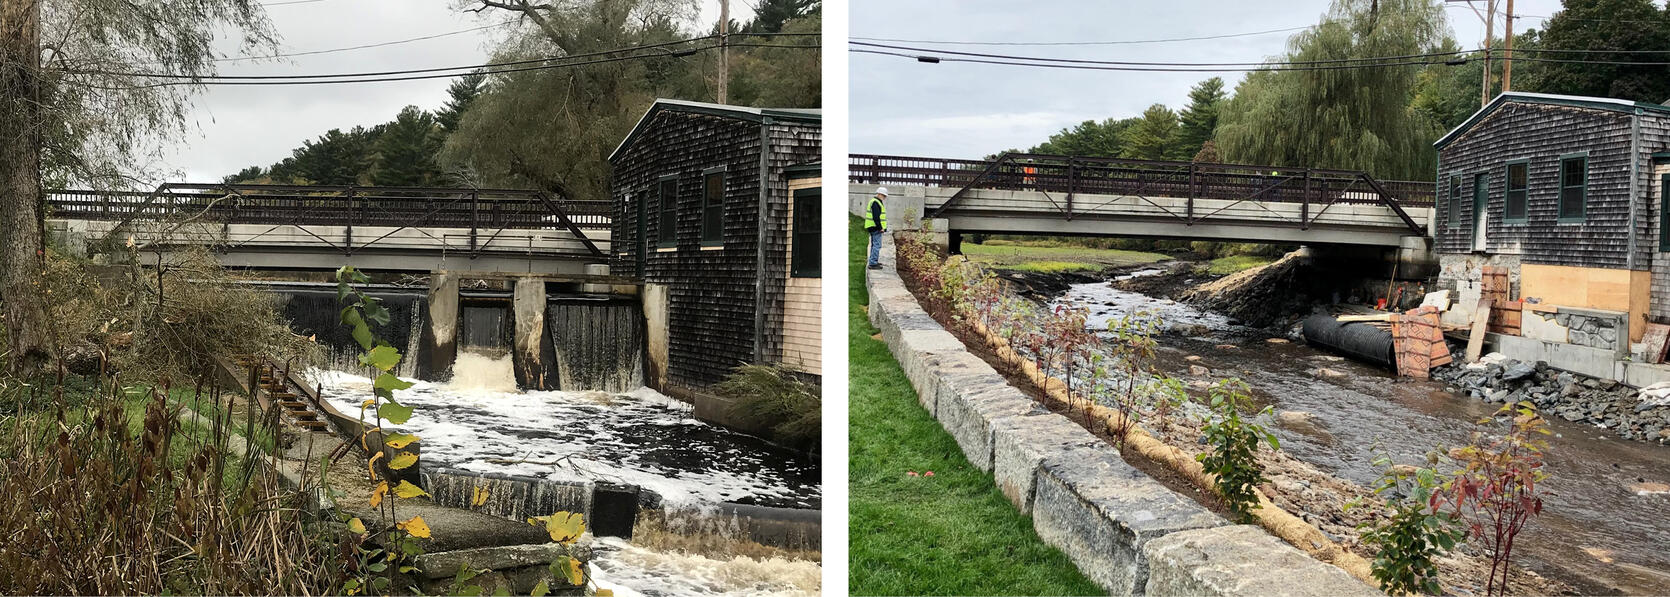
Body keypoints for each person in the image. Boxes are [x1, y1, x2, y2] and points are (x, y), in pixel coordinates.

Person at [866, 186, 887, 269]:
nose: (884, 197)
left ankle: (873, 261)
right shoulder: (876, 202)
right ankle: (873, 263)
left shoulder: (875, 201)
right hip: (875, 227)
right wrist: (880, 227)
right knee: (877, 245)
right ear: (879, 194)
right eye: (884, 195)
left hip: (872, 227)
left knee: (874, 244)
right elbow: (876, 217)